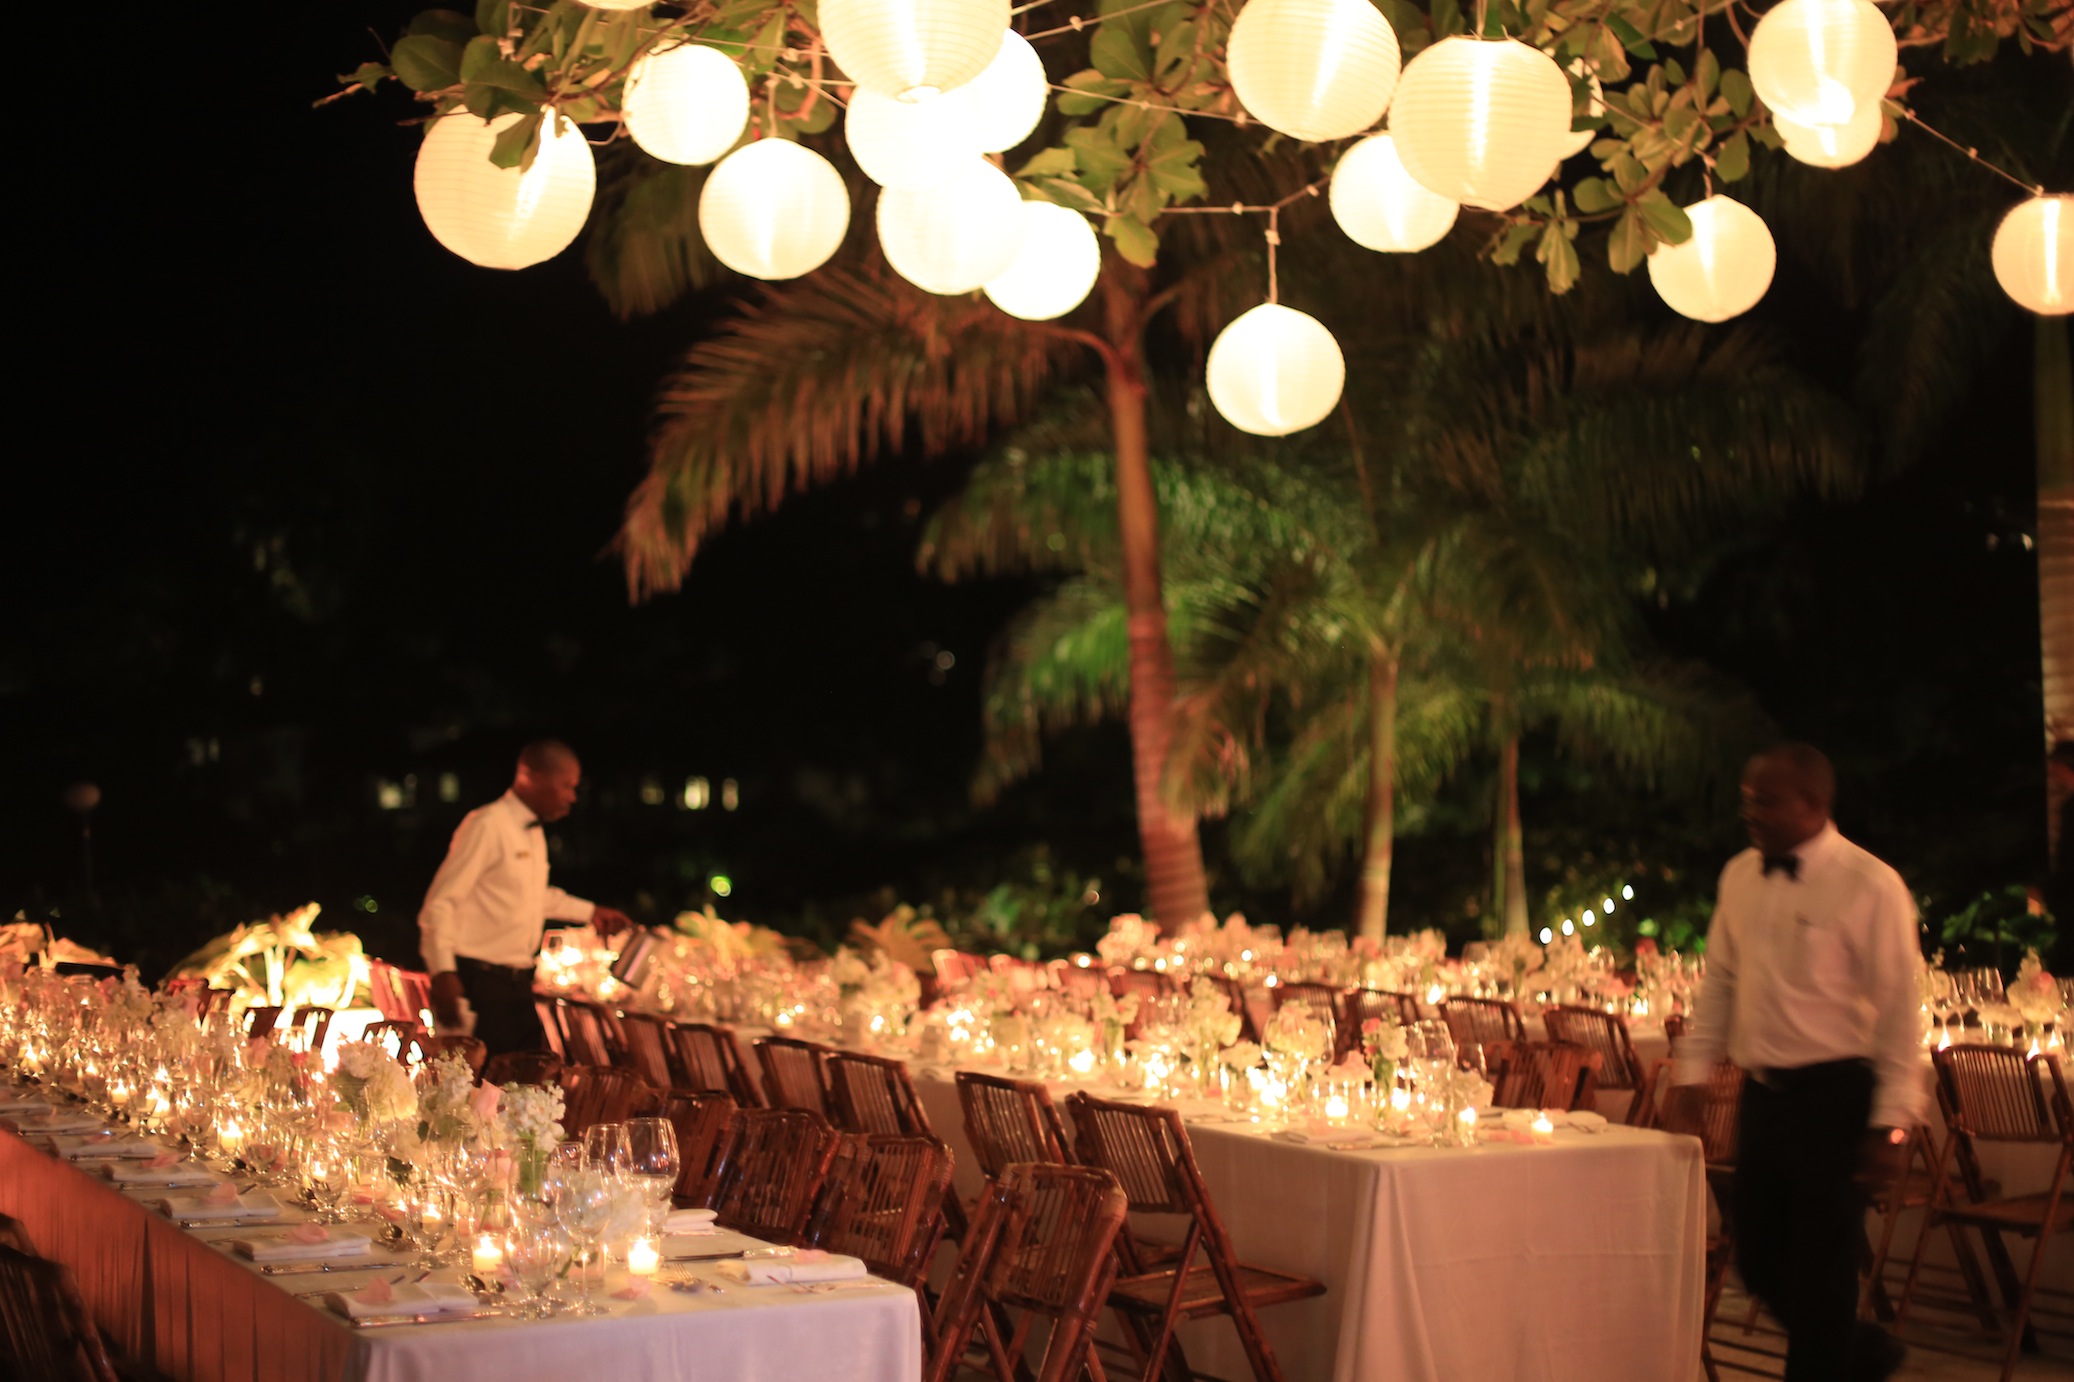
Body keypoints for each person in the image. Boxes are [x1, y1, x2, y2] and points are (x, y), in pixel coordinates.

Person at [1669, 743, 1923, 1382]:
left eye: (1766, 800)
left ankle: (1834, 1361)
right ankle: (1862, 1353)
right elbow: (1719, 981)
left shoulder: (1870, 885)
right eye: (1747, 799)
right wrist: (1693, 1076)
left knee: (1822, 1273)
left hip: (1838, 1099)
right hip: (1764, 1097)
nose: (1749, 812)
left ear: (1814, 803)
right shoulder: (1739, 875)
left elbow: (1899, 1013)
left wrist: (1891, 1125)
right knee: (1757, 1260)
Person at [417, 739, 631, 1057]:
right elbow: (440, 902)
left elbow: (532, 897)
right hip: (481, 984)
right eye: (567, 786)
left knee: (528, 1088)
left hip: (517, 985)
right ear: (534, 777)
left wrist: (591, 912)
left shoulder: (533, 831)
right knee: (485, 1094)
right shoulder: (487, 824)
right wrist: (443, 972)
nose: (573, 798)